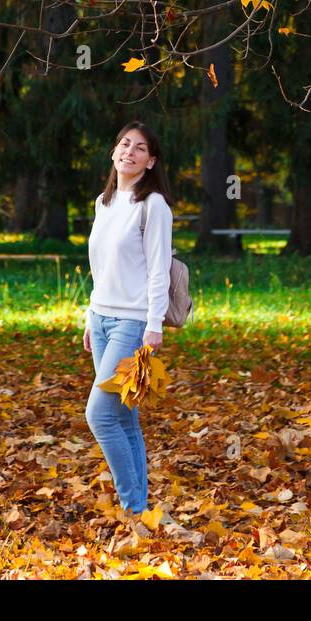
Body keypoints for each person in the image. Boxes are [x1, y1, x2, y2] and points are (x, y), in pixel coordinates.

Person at [83, 120, 173, 521]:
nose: (129, 152)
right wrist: (90, 315)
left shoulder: (153, 206)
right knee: (124, 417)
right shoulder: (103, 204)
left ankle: (132, 508)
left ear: (150, 161)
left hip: (132, 323)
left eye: (140, 148)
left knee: (100, 414)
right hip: (101, 319)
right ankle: (142, 510)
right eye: (124, 144)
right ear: (113, 152)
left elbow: (159, 271)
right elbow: (100, 268)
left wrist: (154, 325)